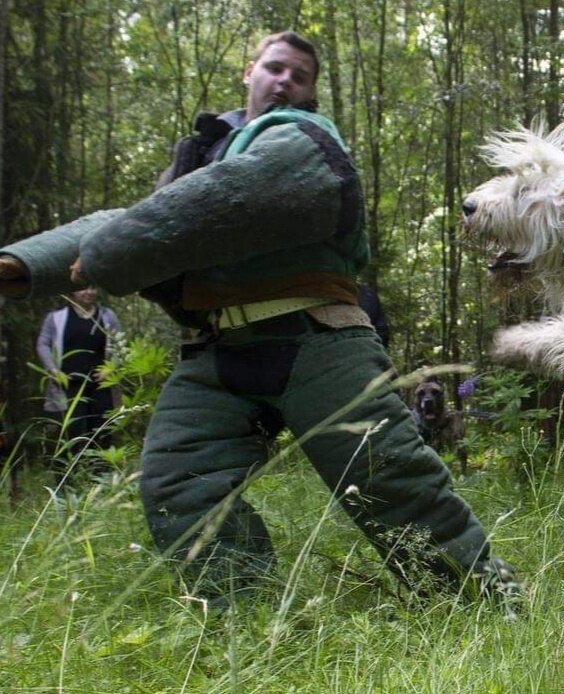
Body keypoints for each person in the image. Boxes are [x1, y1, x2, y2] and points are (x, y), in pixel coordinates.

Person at [0, 30, 517, 604]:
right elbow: (139, 216)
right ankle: (243, 620)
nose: (285, 81)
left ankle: (487, 609)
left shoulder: (306, 138)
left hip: (317, 338)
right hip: (217, 351)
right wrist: (23, 264)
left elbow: (231, 194)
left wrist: (109, 255)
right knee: (179, 480)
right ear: (250, 73)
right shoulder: (204, 155)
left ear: (311, 93)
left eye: (299, 76)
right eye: (275, 68)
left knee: (392, 479)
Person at [35, 287, 122, 455]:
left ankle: (101, 475)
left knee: (102, 432)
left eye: (93, 288)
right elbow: (43, 343)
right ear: (72, 292)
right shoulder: (56, 318)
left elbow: (120, 347)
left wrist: (110, 369)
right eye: (83, 288)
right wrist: (52, 369)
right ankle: (69, 476)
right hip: (68, 386)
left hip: (100, 386)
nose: (89, 292)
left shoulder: (107, 316)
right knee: (70, 432)